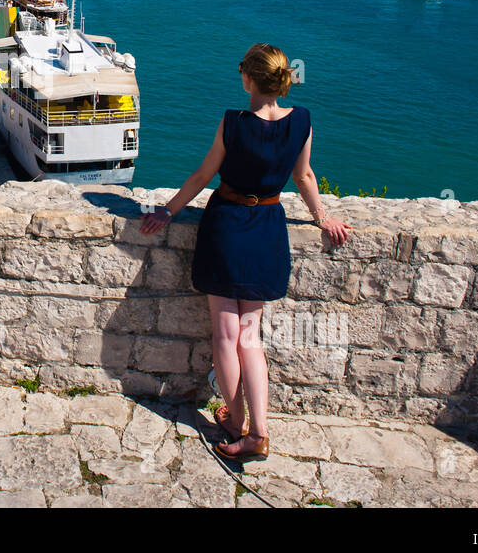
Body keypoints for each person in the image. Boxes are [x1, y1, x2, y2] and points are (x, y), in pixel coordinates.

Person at [139, 43, 351, 462]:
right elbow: (304, 175)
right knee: (250, 338)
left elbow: (203, 175)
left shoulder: (233, 123)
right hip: (267, 231)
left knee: (225, 333)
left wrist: (167, 210)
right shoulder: (303, 120)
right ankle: (261, 433)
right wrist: (322, 216)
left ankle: (235, 423)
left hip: (226, 227)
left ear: (248, 79)